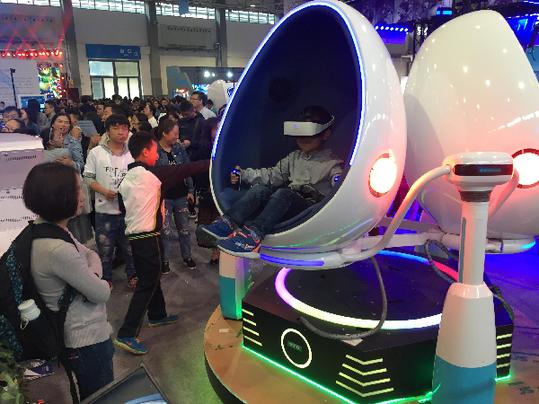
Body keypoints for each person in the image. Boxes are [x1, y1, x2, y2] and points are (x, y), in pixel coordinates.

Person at [201, 105, 343, 256]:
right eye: (299, 133)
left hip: (310, 208)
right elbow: (271, 175)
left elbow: (340, 187)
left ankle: (253, 236)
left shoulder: (332, 164)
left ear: (325, 134)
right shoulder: (294, 158)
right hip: (286, 203)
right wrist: (244, 174)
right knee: (260, 190)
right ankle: (227, 223)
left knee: (284, 193)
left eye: (309, 134)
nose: (303, 138)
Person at [23, 162, 113, 400]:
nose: (83, 195)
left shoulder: (45, 228)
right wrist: (96, 275)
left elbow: (90, 254)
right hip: (85, 340)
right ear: (59, 196)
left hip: (76, 336)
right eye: (77, 189)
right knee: (101, 397)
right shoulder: (57, 249)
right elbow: (102, 292)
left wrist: (90, 268)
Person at [114, 132, 209, 354]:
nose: (157, 155)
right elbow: (187, 169)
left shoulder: (126, 179)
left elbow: (122, 208)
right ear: (145, 152)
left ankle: (157, 315)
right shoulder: (153, 174)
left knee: (151, 276)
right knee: (147, 282)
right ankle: (127, 333)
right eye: (155, 151)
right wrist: (213, 161)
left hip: (136, 237)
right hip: (147, 236)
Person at [84, 114, 137, 289]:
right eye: (116, 128)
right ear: (107, 131)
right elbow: (88, 178)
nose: (121, 132)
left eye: (124, 128)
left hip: (128, 210)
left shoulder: (132, 153)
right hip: (104, 211)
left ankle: (132, 275)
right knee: (105, 250)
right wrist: (104, 191)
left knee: (130, 248)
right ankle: (106, 278)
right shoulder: (96, 153)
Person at [156, 119, 197, 271]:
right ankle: (165, 260)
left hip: (181, 195)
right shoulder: (155, 151)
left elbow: (187, 169)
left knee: (184, 229)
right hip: (164, 197)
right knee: (165, 231)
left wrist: (190, 190)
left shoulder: (179, 148)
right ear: (164, 133)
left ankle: (187, 256)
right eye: (174, 133)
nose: (177, 137)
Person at [191, 118, 221, 265]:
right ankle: (214, 250)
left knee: (220, 220)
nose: (218, 130)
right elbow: (196, 169)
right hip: (207, 190)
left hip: (221, 189)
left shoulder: (224, 145)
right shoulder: (203, 149)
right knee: (209, 221)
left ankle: (218, 251)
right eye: (216, 128)